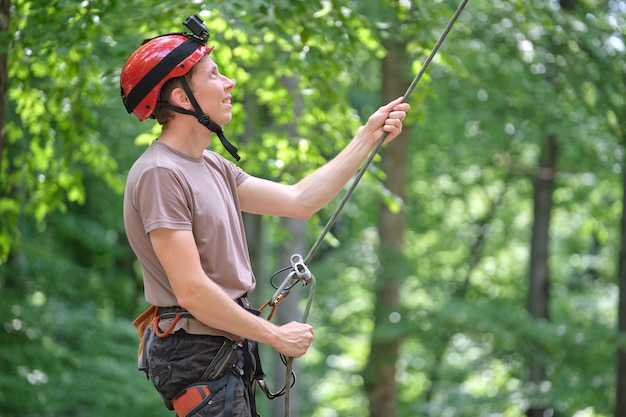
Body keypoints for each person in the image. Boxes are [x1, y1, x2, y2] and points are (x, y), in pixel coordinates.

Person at [120, 15, 409, 417]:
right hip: (196, 352)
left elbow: (299, 200)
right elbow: (191, 290)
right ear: (184, 99)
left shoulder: (213, 166)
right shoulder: (160, 174)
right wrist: (275, 336)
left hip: (222, 346)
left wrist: (367, 136)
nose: (229, 83)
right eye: (215, 75)